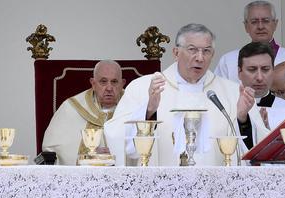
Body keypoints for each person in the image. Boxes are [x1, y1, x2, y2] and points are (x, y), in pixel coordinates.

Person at [105, 23, 270, 166]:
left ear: (212, 55)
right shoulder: (143, 88)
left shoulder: (233, 92)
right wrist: (148, 110)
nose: (200, 58)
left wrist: (242, 118)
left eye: (206, 51)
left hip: (216, 193)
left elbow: (257, 150)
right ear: (176, 53)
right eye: (192, 50)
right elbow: (117, 136)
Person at [41, 61, 125, 165]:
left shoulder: (135, 108)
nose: (109, 88)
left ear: (122, 84)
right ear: (93, 84)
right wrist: (87, 155)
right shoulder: (71, 108)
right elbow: (53, 150)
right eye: (103, 81)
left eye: (114, 82)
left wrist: (119, 154)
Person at [215, 0, 285, 85]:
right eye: (254, 22)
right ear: (246, 26)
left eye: (265, 21)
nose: (260, 26)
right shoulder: (228, 61)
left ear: (275, 24)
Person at [235, 43, 285, 150]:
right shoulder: (225, 110)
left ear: (273, 71)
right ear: (239, 72)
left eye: (265, 69)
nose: (259, 77)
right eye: (252, 69)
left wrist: (269, 137)